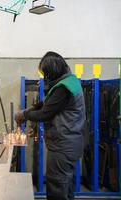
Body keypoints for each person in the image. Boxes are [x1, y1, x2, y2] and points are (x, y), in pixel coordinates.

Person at [15, 51, 85, 200]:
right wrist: (30, 109)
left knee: (57, 188)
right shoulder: (69, 81)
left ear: (53, 71)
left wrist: (24, 115)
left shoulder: (64, 87)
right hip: (71, 144)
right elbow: (47, 103)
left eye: (46, 74)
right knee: (66, 186)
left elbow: (45, 113)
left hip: (63, 147)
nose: (45, 78)